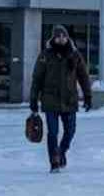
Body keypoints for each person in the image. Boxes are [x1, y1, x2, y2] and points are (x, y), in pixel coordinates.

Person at [29, 25, 92, 173]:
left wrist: (88, 95)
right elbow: (37, 79)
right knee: (53, 132)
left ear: (67, 38)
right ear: (53, 38)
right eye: (58, 36)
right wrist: (33, 100)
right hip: (50, 100)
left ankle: (61, 151)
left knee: (70, 131)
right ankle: (54, 161)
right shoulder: (45, 55)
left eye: (64, 36)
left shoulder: (75, 55)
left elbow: (83, 77)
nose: (61, 39)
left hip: (69, 100)